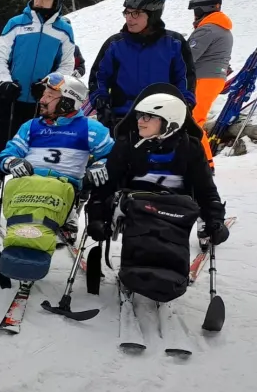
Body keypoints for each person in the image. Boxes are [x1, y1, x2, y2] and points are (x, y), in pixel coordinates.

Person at [85, 84, 227, 304]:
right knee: (140, 213)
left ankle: (163, 273)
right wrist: (96, 217)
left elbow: (205, 190)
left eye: (149, 117)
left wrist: (215, 220)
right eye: (140, 115)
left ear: (169, 121)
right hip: (135, 206)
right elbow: (106, 184)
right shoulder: (128, 144)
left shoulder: (190, 147)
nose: (140, 120)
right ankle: (141, 272)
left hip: (174, 208)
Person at [0, 0, 76, 206]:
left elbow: (67, 65)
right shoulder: (16, 23)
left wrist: (47, 84)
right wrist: (4, 82)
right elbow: (0, 56)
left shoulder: (63, 30)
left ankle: (22, 197)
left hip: (40, 101)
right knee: (3, 147)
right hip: (10, 96)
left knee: (32, 151)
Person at [0, 73, 113, 254]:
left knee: (54, 190)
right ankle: (23, 235)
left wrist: (101, 165)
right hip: (27, 184)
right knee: (19, 186)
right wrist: (12, 161)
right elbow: (6, 154)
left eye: (49, 96)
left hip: (62, 188)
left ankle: (56, 223)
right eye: (43, 94)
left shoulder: (91, 129)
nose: (42, 99)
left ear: (68, 101)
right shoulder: (31, 126)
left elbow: (113, 157)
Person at [90, 0, 196, 128]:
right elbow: (98, 77)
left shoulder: (174, 43)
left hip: (161, 119)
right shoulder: (114, 45)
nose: (129, 18)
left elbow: (185, 78)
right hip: (121, 118)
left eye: (136, 13)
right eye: (127, 13)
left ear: (153, 16)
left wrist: (185, 105)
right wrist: (101, 104)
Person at [186, 0, 233, 163]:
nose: (194, 15)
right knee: (195, 119)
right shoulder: (223, 30)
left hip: (203, 79)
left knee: (192, 121)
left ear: (203, 10)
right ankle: (201, 161)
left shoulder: (207, 29)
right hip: (214, 79)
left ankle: (205, 163)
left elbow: (188, 57)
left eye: (196, 11)